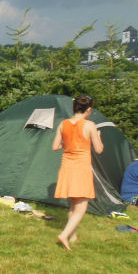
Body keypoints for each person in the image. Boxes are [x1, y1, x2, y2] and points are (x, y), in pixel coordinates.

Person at [52, 94, 104, 250]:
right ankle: (64, 235)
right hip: (81, 167)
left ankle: (73, 236)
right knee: (81, 206)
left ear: (74, 107)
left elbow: (55, 147)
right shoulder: (90, 125)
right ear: (89, 110)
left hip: (67, 166)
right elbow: (99, 149)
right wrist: (98, 137)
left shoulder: (63, 124)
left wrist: (67, 142)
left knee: (74, 204)